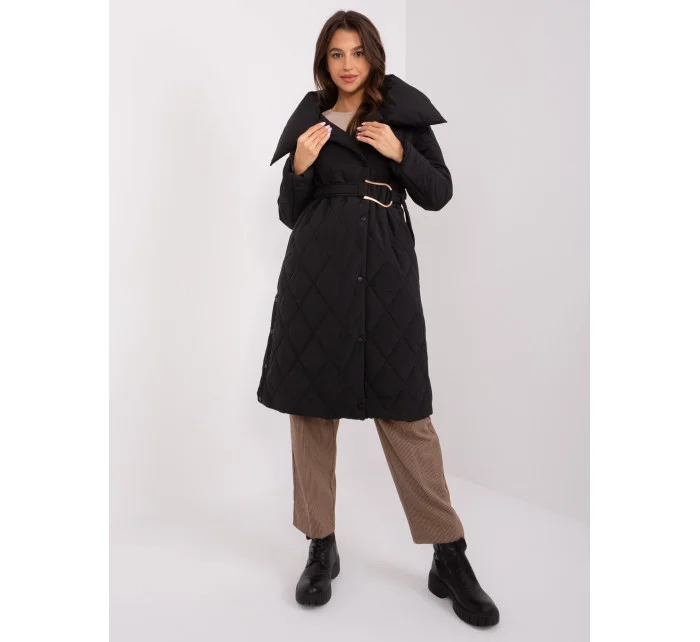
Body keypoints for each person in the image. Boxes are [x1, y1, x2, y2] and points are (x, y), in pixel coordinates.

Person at [257, 10, 500, 627]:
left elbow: (438, 192)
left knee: (407, 412)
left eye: (357, 52)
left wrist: (399, 152)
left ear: (373, 56)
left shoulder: (403, 114)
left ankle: (449, 555)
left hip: (386, 276)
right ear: (324, 61)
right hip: (316, 280)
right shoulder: (310, 121)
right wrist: (298, 167)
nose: (347, 64)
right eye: (336, 54)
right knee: (311, 412)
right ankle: (320, 546)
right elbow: (289, 212)